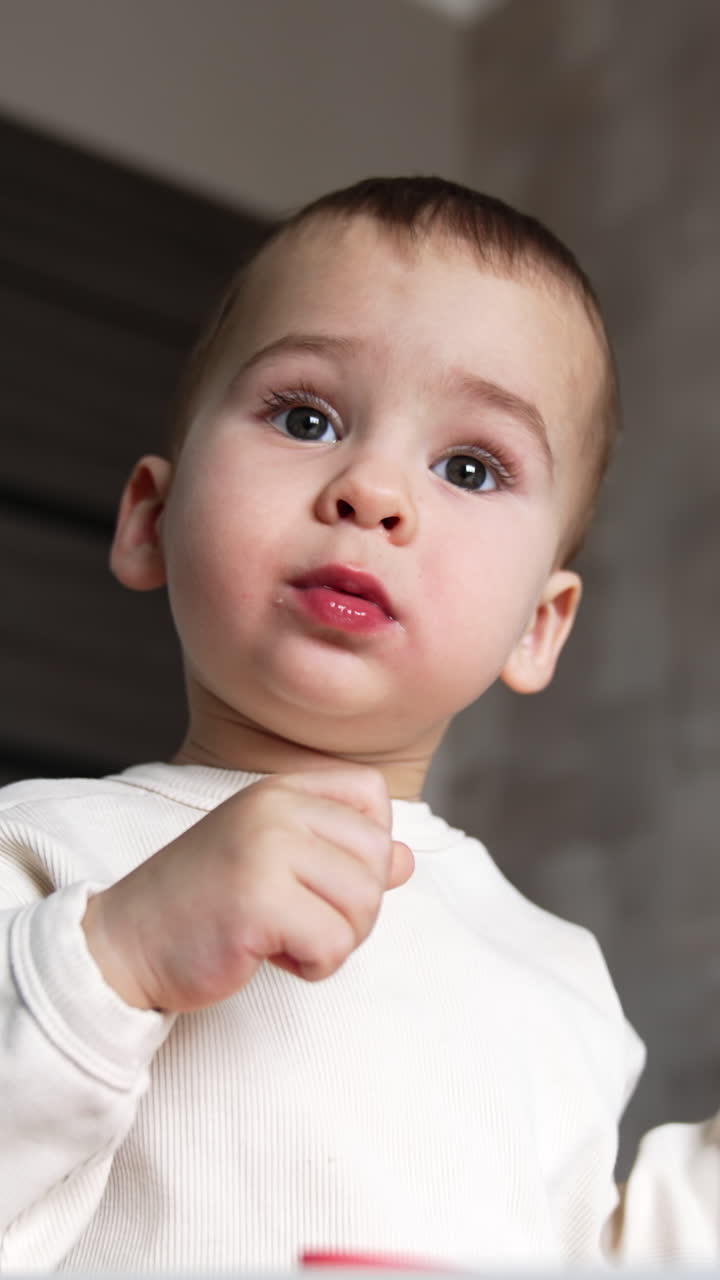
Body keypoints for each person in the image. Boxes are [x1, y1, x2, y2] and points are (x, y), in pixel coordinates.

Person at [0, 176, 716, 1273]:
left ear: (538, 623)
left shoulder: (558, 975)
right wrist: (119, 956)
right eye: (306, 416)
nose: (373, 487)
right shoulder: (40, 856)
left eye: (470, 466)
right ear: (150, 516)